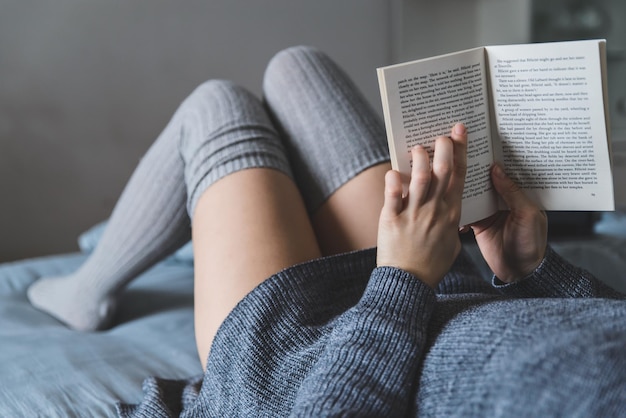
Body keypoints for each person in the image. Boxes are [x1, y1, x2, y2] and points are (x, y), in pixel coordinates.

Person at [27, 46, 625, 417]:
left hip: (299, 371)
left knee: (218, 105)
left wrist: (402, 277)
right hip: (430, 294)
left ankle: (87, 291)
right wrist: (531, 271)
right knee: (299, 67)